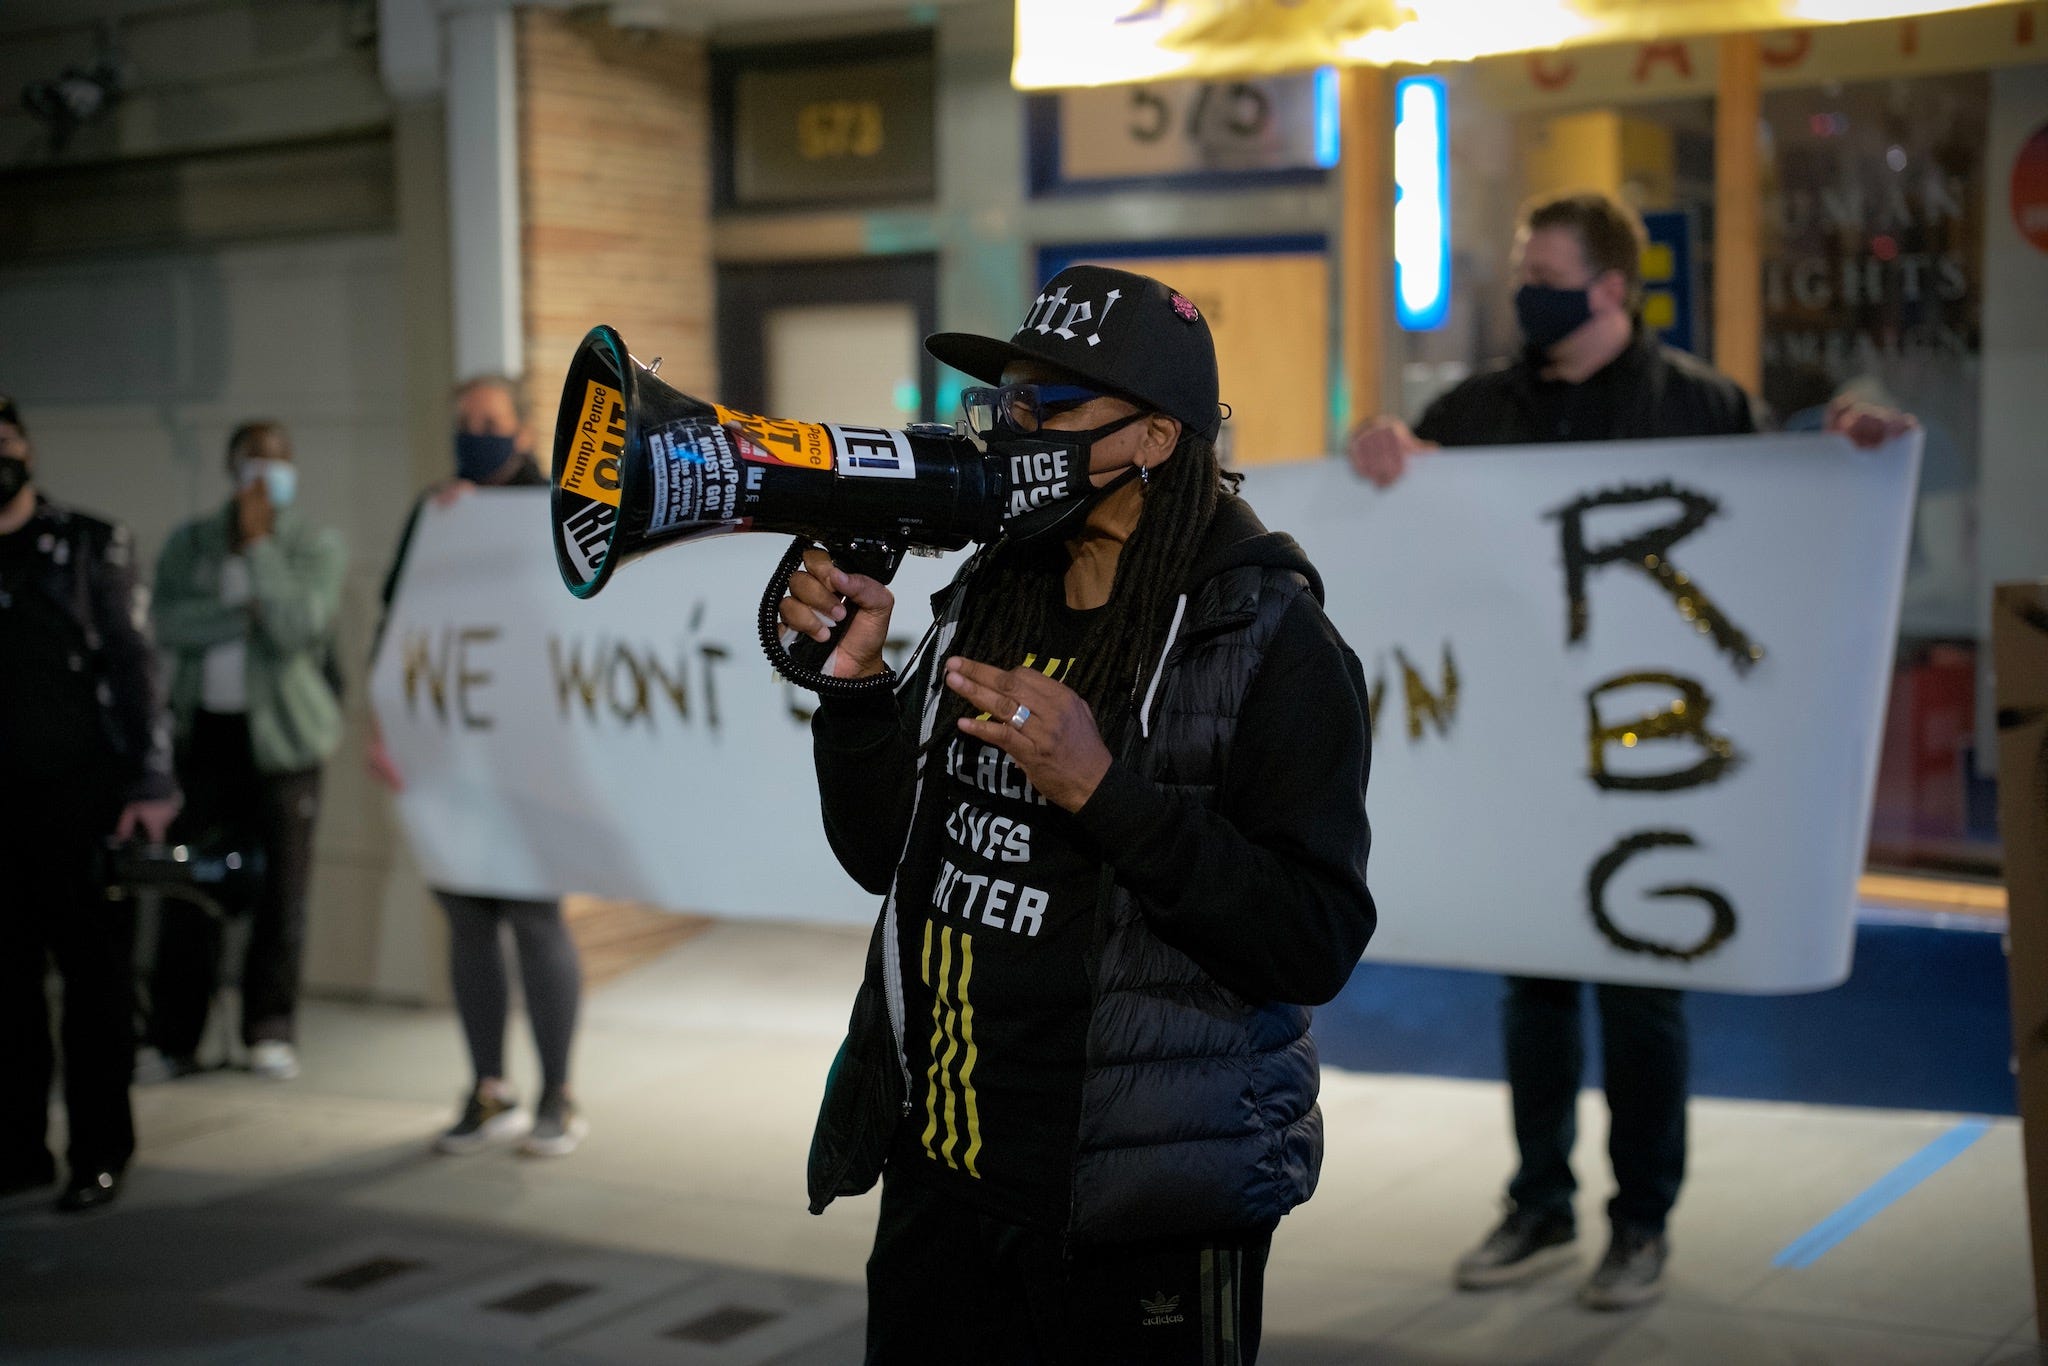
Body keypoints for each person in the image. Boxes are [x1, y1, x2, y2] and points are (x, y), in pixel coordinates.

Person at [790, 265, 1377, 1364]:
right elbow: (883, 859)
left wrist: (1104, 792)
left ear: (1154, 437)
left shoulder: (1269, 641)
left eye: (1044, 411)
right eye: (999, 406)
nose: (1009, 436)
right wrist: (856, 689)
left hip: (1137, 1209)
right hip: (940, 1183)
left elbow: (1312, 936)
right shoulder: (991, 590)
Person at [1348, 190, 1915, 1311]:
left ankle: (1639, 1218)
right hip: (1522, 755)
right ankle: (1537, 1200)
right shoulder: (1474, 408)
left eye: (1543, 269)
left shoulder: (1699, 404)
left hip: (1650, 755)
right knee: (1535, 986)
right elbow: (1416, 536)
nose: (1524, 289)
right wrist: (1382, 456)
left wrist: (1844, 443)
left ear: (1610, 288)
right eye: (1521, 268)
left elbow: (1778, 518)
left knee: (1643, 994)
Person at [368, 375, 587, 1158]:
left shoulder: (562, 514)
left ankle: (557, 1091)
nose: (475, 433)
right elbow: (398, 625)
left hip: (533, 753)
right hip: (450, 751)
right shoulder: (437, 515)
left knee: (533, 915)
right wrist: (385, 723)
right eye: (464, 421)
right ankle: (488, 1087)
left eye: (490, 421)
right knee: (467, 918)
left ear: (523, 433)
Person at [0, 395, 180, 1212]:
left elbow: (137, 668)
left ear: (28, 449)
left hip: (84, 801)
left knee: (96, 983)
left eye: (5, 439)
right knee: (7, 990)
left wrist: (150, 782)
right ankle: (18, 1149)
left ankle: (100, 1152)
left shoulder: (87, 545)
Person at [148, 421, 345, 1082]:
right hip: (204, 736)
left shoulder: (313, 544)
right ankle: (175, 1037)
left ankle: (269, 1027)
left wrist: (260, 547)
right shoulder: (193, 542)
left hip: (284, 744)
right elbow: (169, 622)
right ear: (230, 470)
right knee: (188, 891)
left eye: (275, 463)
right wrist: (242, 615)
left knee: (281, 894)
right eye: (251, 462)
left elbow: (296, 627)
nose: (262, 475)